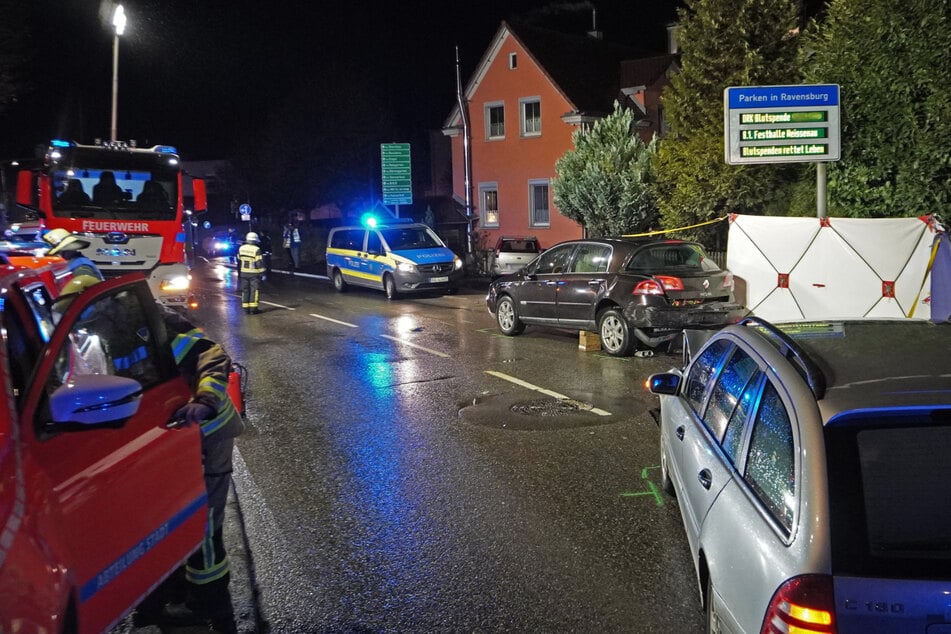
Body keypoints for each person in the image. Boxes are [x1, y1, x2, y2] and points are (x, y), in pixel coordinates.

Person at [52, 275, 243, 630]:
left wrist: (204, 401)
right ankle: (182, 592)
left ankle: (212, 607)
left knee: (205, 523)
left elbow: (214, 357)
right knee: (179, 518)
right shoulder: (113, 334)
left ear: (105, 306)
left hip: (207, 432)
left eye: (87, 317)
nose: (84, 326)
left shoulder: (157, 324)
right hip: (177, 437)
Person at [237, 232, 265, 314]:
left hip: (243, 273)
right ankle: (253, 309)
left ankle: (246, 309)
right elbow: (259, 262)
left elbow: (239, 258)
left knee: (245, 290)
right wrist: (262, 273)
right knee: (254, 291)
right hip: (254, 274)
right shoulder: (256, 249)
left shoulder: (241, 248)